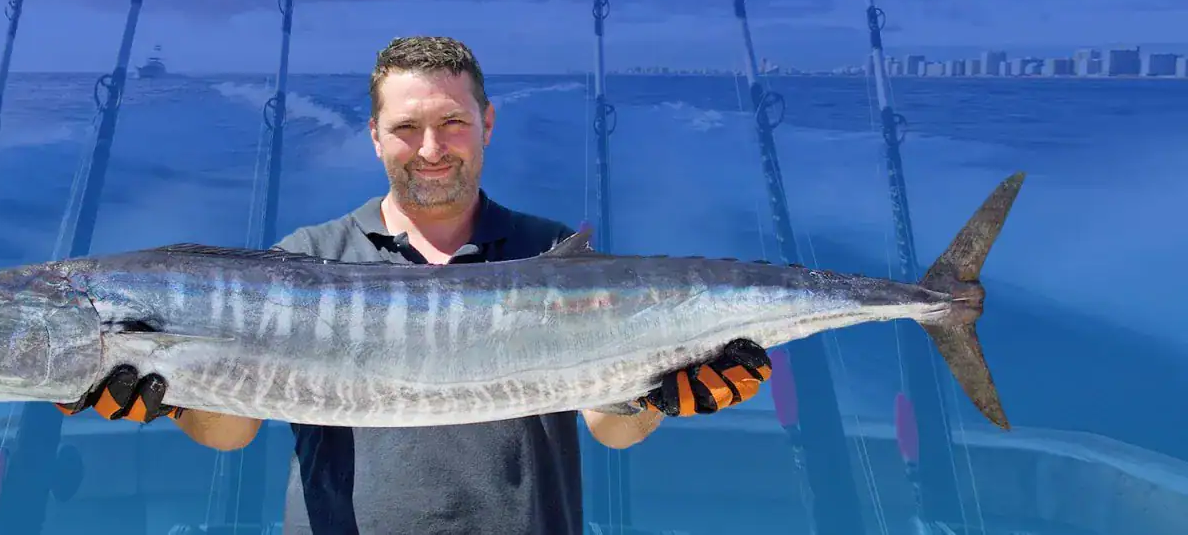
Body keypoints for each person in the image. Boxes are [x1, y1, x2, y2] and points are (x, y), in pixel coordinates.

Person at [59, 36, 773, 534]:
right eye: (407, 128)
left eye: (453, 123)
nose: (431, 149)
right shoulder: (303, 259)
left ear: (486, 124)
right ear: (373, 135)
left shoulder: (551, 253)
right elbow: (232, 430)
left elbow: (613, 428)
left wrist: (667, 395)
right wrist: (169, 398)